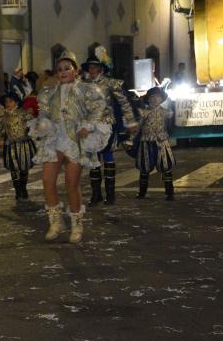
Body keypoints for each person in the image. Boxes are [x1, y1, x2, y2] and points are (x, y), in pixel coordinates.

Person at [32, 50, 109, 243]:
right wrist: (43, 123)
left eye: (67, 68)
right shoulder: (49, 92)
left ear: (75, 71)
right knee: (47, 180)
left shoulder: (86, 89)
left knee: (71, 183)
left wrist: (88, 125)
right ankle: (56, 221)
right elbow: (43, 112)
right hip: (55, 139)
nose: (63, 72)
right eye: (59, 69)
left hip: (75, 141)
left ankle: (76, 223)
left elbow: (100, 107)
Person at [81, 46, 139, 206]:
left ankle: (110, 194)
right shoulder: (83, 85)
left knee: (107, 156)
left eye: (95, 67)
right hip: (90, 126)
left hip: (107, 124)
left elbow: (124, 103)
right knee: (93, 158)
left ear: (101, 68)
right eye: (90, 67)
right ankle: (96, 194)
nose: (92, 70)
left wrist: (130, 121)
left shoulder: (111, 83)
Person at [0, 93, 37, 201]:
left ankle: (23, 189)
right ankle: (18, 191)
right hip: (11, 147)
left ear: (16, 102)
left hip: (24, 146)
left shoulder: (24, 113)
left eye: (11, 101)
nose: (8, 104)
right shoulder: (4, 118)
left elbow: (35, 122)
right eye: (7, 102)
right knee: (14, 170)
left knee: (23, 169)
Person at [133, 87, 176, 201]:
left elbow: (172, 124)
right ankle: (142, 191)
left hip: (162, 142)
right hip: (146, 142)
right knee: (144, 167)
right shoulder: (143, 112)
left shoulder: (166, 112)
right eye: (152, 97)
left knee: (166, 166)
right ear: (149, 99)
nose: (155, 99)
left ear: (161, 99)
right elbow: (137, 127)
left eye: (157, 97)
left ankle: (170, 192)